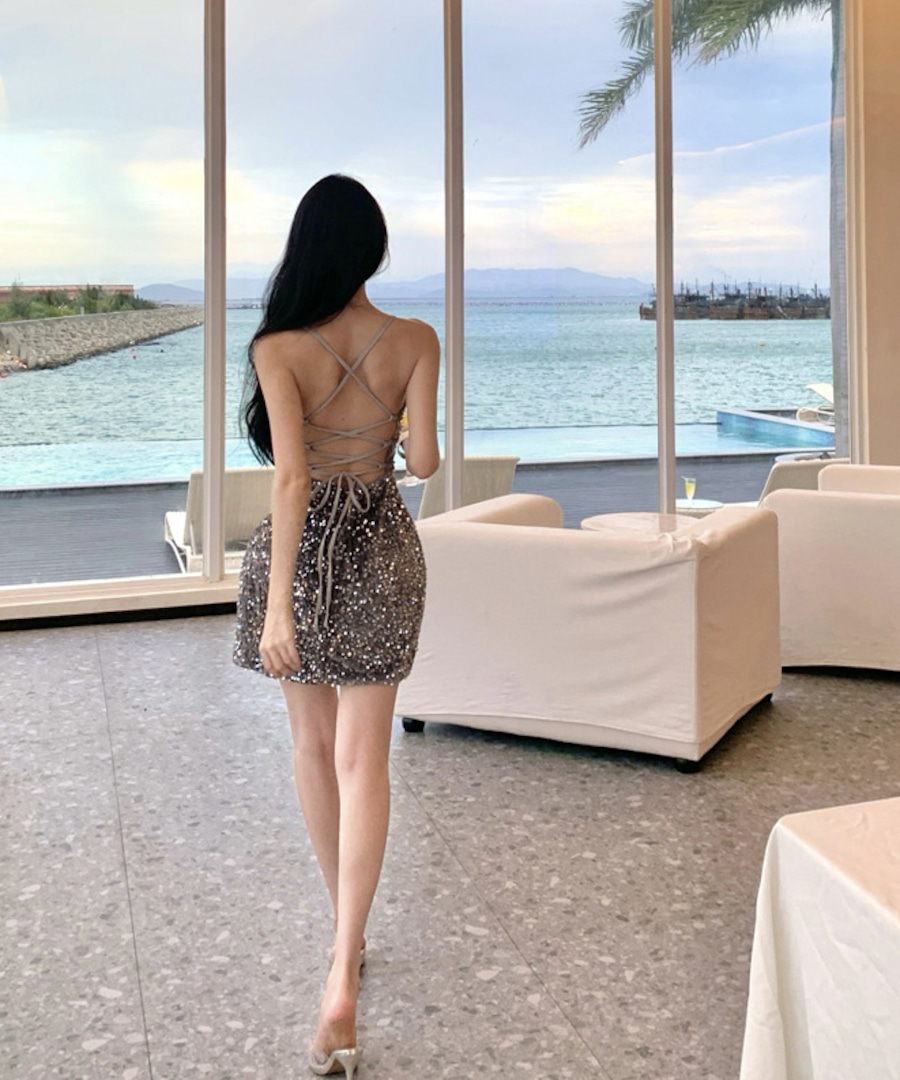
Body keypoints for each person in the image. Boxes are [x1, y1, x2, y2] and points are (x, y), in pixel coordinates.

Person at [233, 174, 440, 1077]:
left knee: (313, 751)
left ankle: (342, 949)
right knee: (366, 761)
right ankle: (345, 960)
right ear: (373, 250)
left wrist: (279, 605)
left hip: (302, 558)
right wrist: (393, 427)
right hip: (385, 551)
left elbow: (290, 480)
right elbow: (423, 462)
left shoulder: (276, 346)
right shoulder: (417, 339)